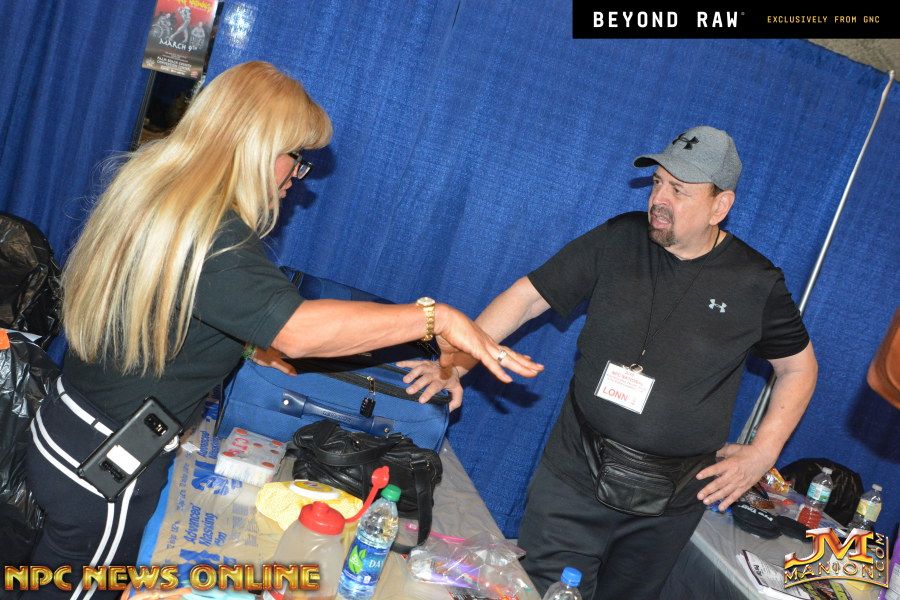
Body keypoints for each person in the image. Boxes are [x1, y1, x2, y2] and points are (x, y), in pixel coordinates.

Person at [25, 61, 542, 599]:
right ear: (257, 145)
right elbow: (298, 331)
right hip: (108, 464)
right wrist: (436, 317)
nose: (299, 175)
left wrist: (248, 342)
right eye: (297, 157)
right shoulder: (213, 235)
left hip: (71, 428)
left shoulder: (163, 191)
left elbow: (172, 305)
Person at [403, 125, 818, 599]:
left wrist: (763, 453)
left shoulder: (756, 283)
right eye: (658, 183)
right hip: (575, 474)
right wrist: (454, 365)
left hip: (671, 503)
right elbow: (527, 297)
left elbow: (799, 367)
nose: (659, 199)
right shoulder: (619, 238)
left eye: (679, 190)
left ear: (719, 206)